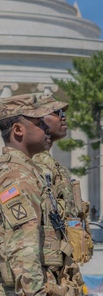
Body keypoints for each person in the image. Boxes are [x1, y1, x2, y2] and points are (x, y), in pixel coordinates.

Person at [0, 93, 83, 296]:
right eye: (40, 123)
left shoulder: (25, 170)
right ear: (18, 130)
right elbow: (23, 247)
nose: (47, 129)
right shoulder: (16, 176)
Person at [32, 93, 93, 265]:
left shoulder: (52, 165)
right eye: (57, 112)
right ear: (39, 120)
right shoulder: (35, 166)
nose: (63, 117)